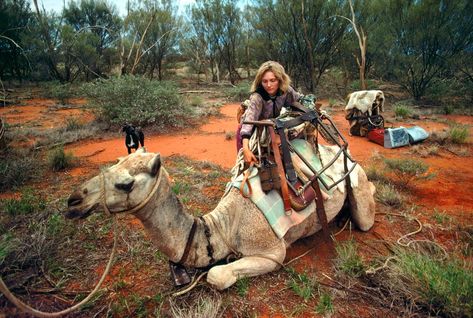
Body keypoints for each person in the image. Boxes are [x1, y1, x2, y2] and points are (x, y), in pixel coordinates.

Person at [238, 61, 302, 164]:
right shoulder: (257, 97)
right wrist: (245, 148)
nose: (269, 85)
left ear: (280, 80)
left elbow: (298, 100)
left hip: (272, 128)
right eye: (265, 81)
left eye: (273, 80)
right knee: (248, 164)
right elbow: (248, 123)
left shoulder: (286, 91)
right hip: (251, 132)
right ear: (260, 82)